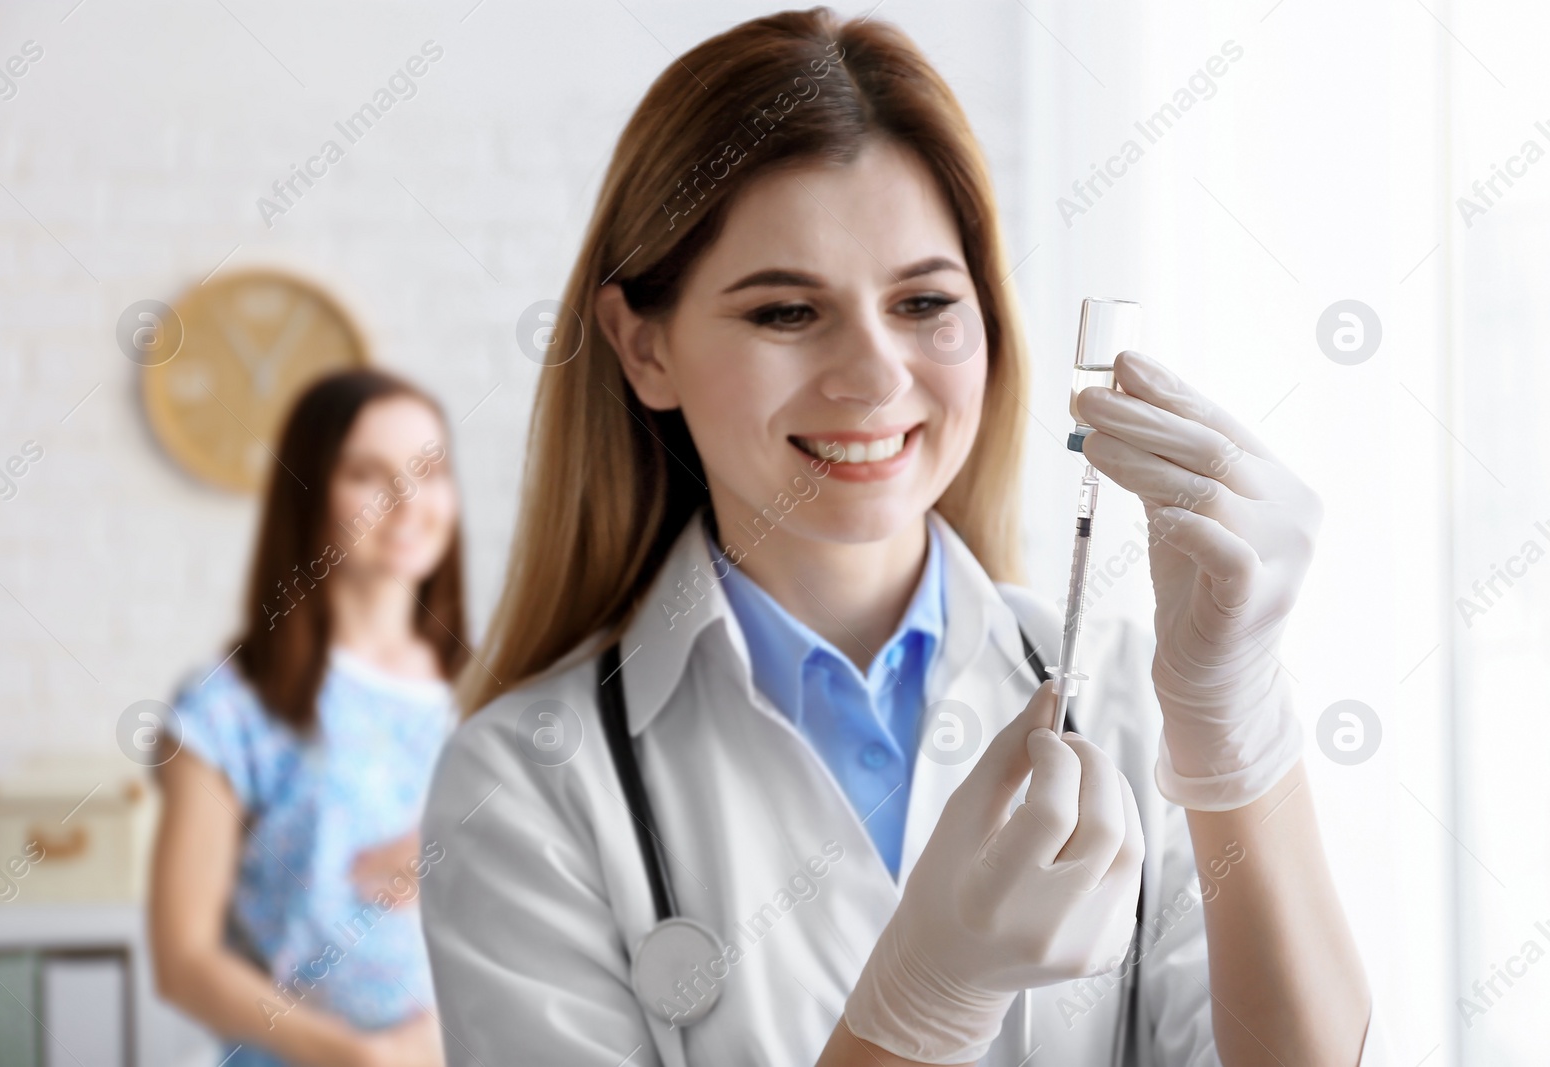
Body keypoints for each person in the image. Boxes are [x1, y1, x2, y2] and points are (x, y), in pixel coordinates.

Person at [420, 8, 1383, 1065]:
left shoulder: (1126, 690)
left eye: (923, 299)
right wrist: (924, 1002)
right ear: (642, 345)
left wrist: (1238, 725)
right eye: (786, 312)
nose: (876, 377)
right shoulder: (527, 785)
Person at [150, 369, 467, 1067]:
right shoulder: (227, 706)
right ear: (310, 492)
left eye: (431, 471)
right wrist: (361, 1056)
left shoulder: (488, 689)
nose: (410, 503)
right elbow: (185, 958)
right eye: (368, 474)